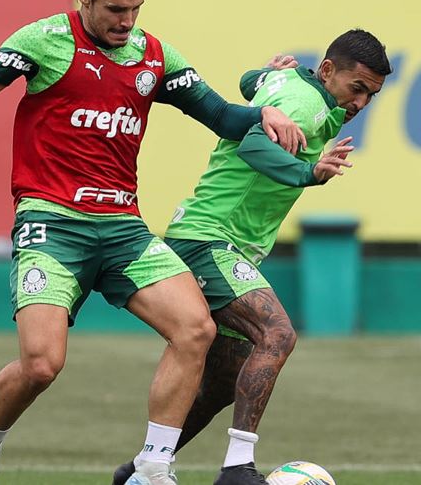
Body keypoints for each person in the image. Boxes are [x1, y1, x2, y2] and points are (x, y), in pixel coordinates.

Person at [0, 0, 306, 485]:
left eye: (136, 8)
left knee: (194, 329)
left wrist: (265, 114)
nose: (127, 21)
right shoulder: (43, 41)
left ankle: (154, 465)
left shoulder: (154, 56)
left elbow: (221, 115)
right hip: (53, 224)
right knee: (42, 365)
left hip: (123, 230)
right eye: (116, 9)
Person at [113, 29, 392, 485]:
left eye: (371, 95)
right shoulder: (305, 105)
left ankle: (139, 472)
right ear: (326, 71)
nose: (360, 103)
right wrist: (309, 172)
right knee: (277, 334)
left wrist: (265, 72)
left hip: (216, 240)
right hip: (210, 240)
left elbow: (248, 84)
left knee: (225, 376)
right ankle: (237, 469)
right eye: (356, 88)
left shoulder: (295, 87)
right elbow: (252, 144)